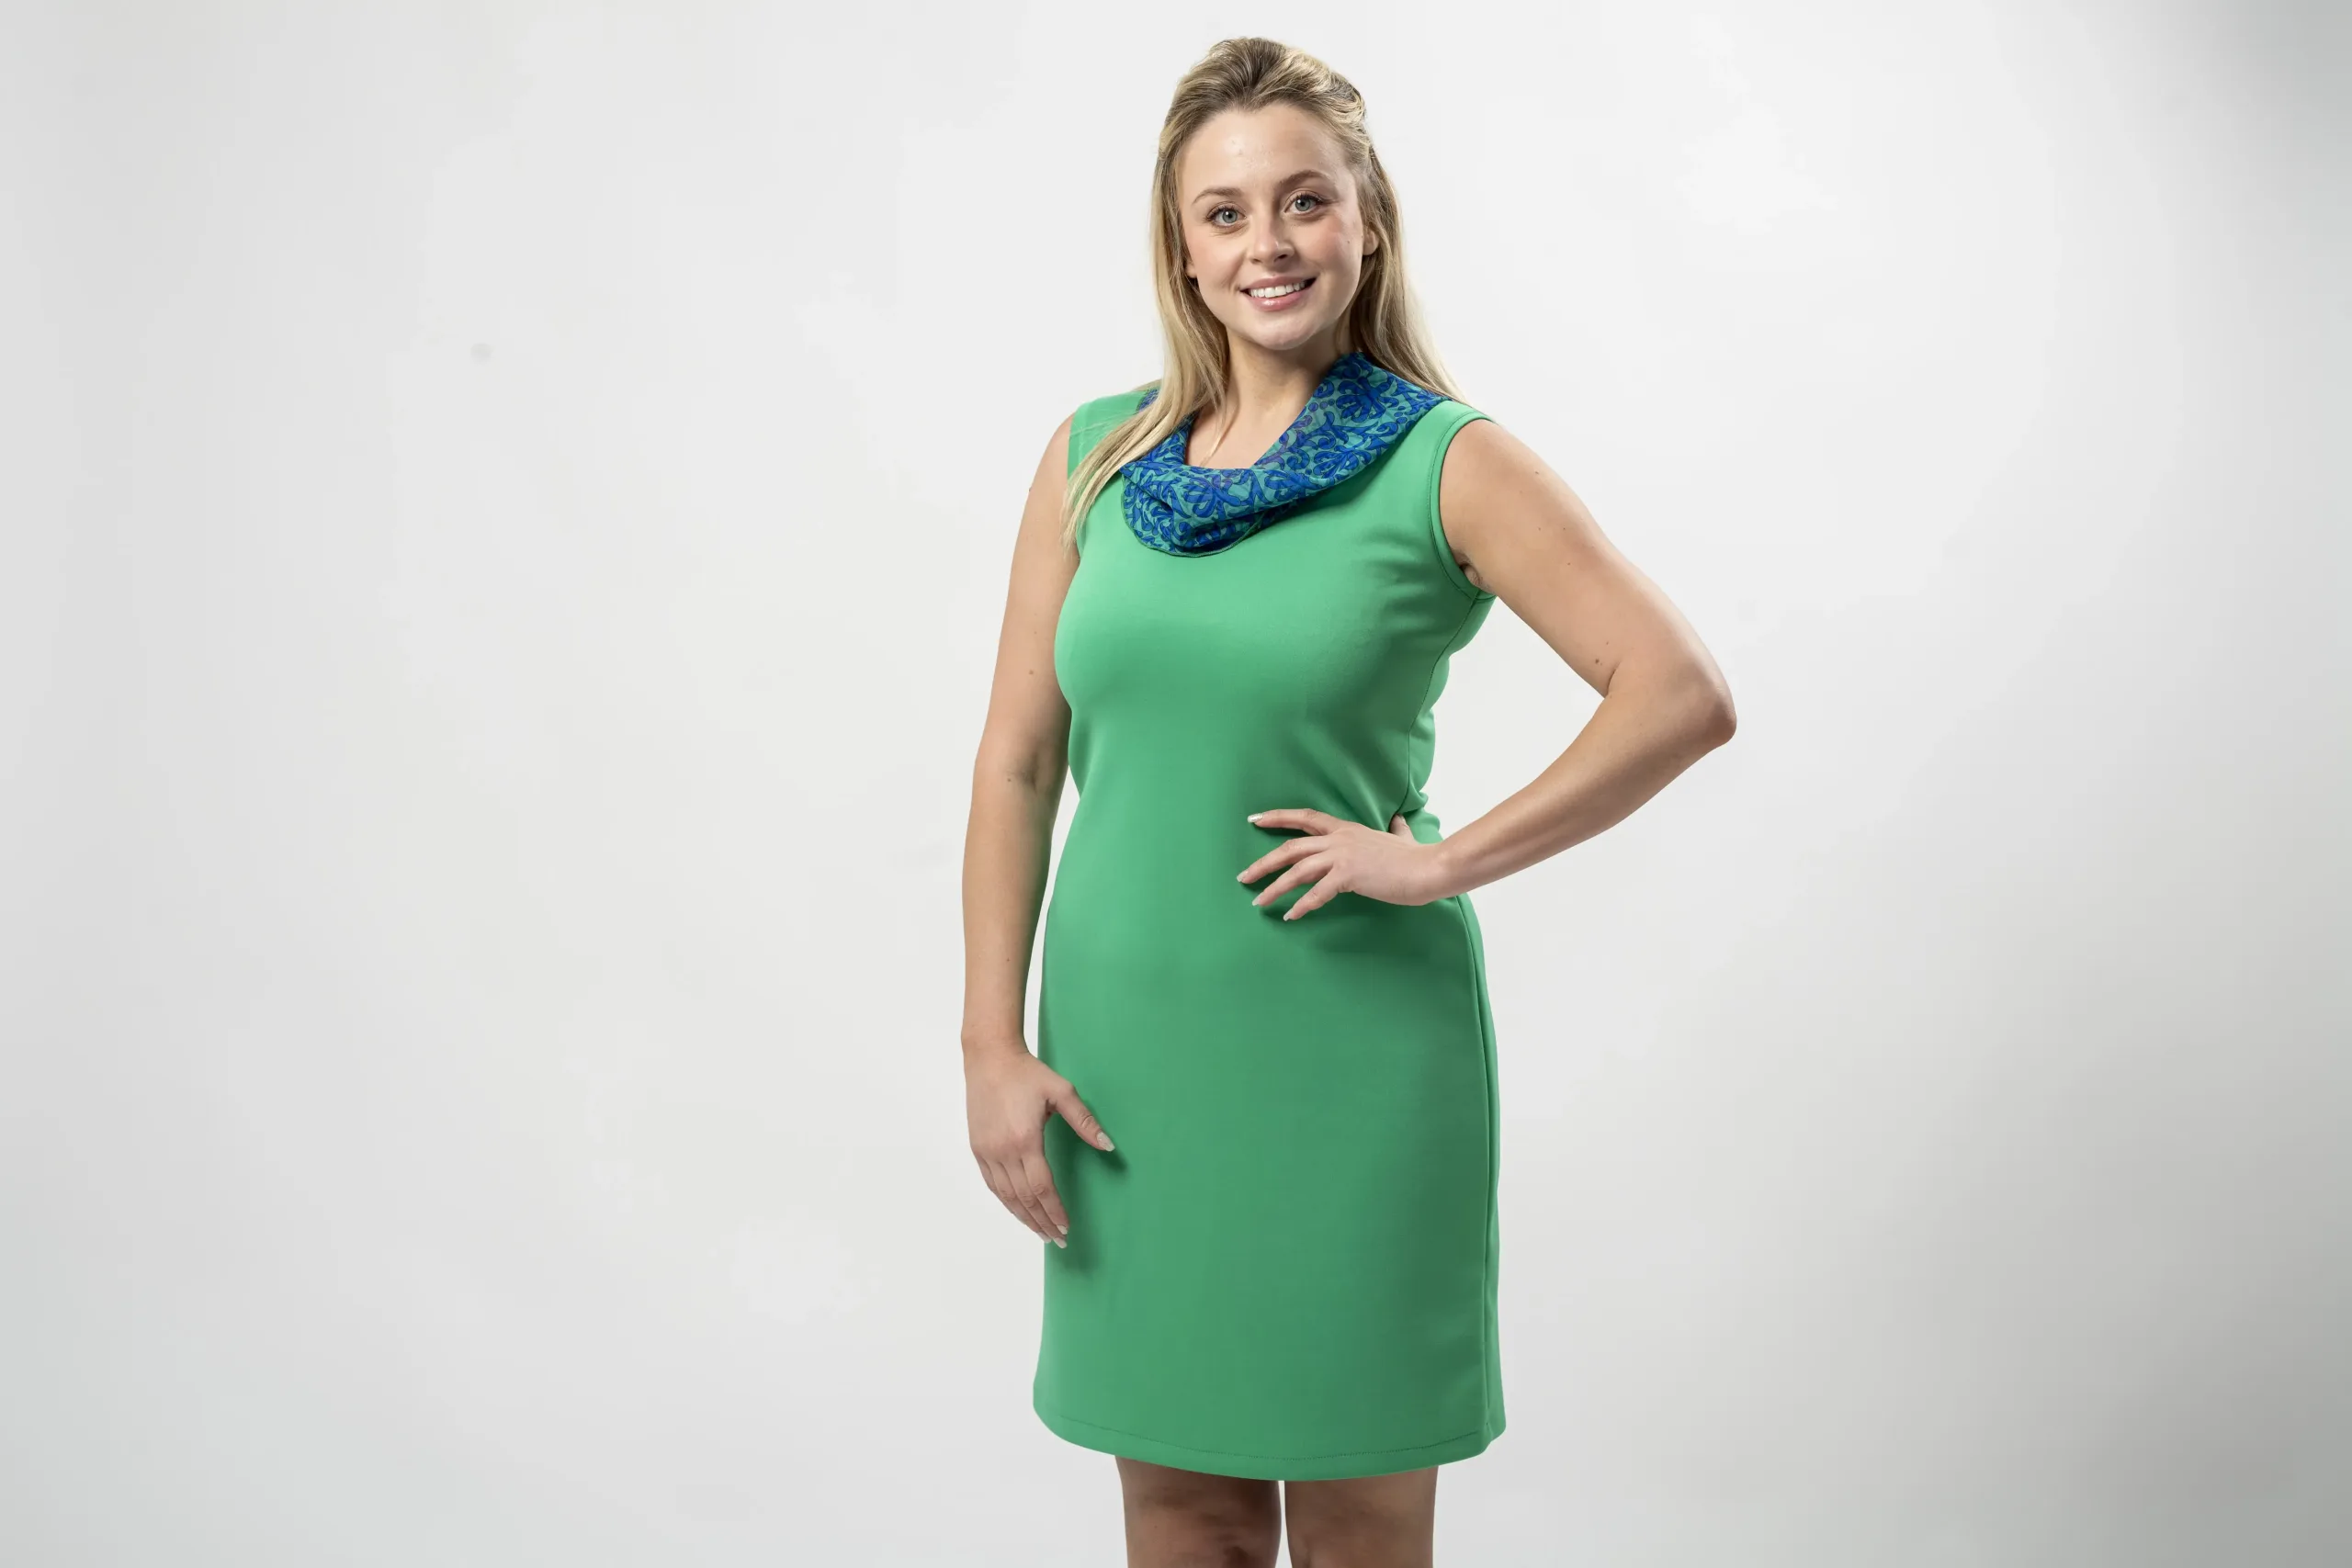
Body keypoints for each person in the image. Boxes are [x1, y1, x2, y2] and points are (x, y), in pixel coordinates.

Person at [960, 35, 1736, 1567]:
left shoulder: (1448, 461)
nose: (1270, 243)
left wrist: (1443, 861)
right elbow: (1017, 761)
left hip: (1353, 1062)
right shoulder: (1093, 459)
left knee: (1361, 1519)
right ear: (1182, 248)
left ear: (1367, 221)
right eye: (1228, 211)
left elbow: (1677, 691)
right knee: (1180, 1510)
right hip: (1127, 1071)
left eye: (1305, 200)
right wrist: (991, 1041)